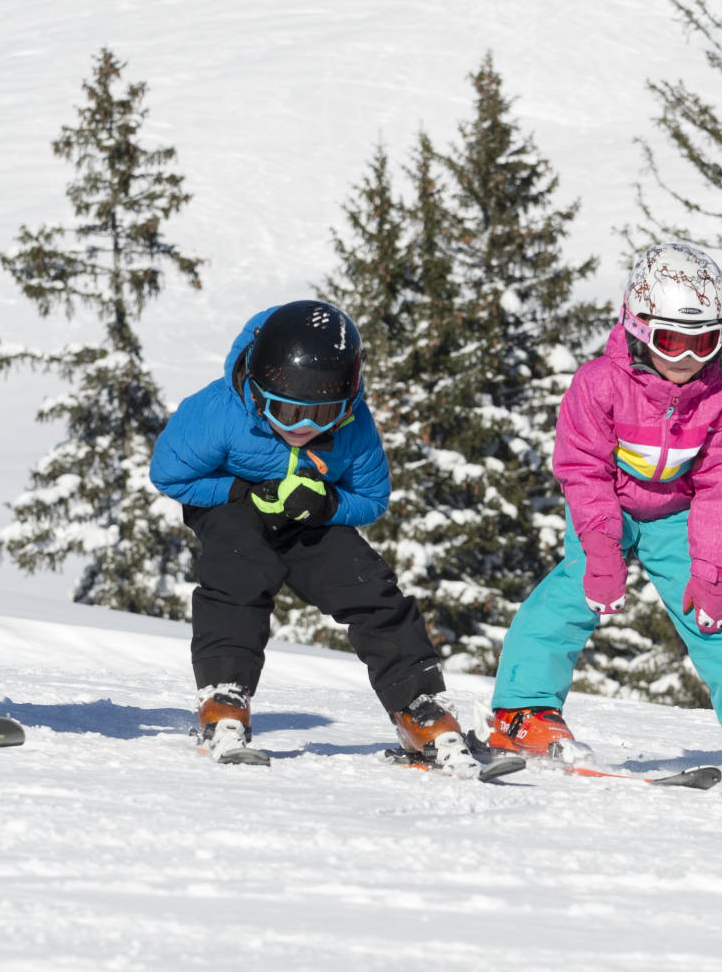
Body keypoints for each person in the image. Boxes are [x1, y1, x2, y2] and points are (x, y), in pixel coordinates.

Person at [488, 242, 722, 788]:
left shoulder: (720, 398)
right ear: (637, 326)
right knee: (572, 593)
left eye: (704, 342)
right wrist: (602, 551)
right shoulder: (599, 384)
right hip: (605, 503)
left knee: (716, 612)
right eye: (671, 341)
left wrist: (710, 572)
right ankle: (523, 712)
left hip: (675, 514)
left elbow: (719, 487)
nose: (686, 359)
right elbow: (582, 468)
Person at [149, 300, 498, 774]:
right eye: (287, 413)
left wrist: (330, 505)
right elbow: (171, 476)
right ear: (256, 392)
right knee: (239, 569)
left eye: (324, 414)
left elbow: (372, 498)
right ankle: (225, 696)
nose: (305, 428)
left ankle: (418, 707)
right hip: (230, 506)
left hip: (309, 514)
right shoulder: (217, 412)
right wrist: (242, 490)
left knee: (371, 587)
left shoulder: (353, 426)